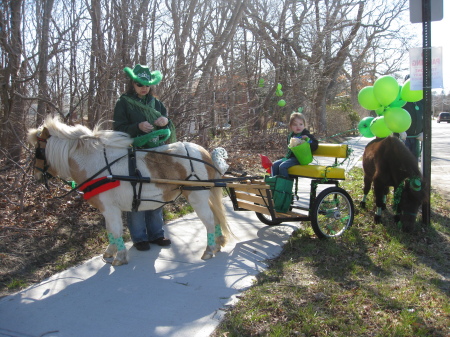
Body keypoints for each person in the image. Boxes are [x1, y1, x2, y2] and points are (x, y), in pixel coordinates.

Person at [113, 64, 174, 251]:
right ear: (133, 83)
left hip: (156, 153)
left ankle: (157, 233)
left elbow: (168, 127)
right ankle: (139, 237)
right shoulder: (123, 103)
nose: (143, 88)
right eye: (139, 84)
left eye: (146, 84)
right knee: (136, 194)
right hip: (133, 154)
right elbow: (118, 130)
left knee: (156, 190)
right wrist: (137, 127)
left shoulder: (156, 103)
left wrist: (166, 121)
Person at [271, 112, 319, 178]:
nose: (298, 127)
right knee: (274, 165)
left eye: (301, 124)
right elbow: (290, 149)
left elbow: (315, 146)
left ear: (304, 125)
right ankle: (275, 184)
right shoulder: (291, 136)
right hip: (291, 158)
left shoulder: (306, 135)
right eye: (295, 125)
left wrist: (308, 140)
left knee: (283, 166)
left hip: (302, 158)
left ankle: (285, 186)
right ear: (291, 126)